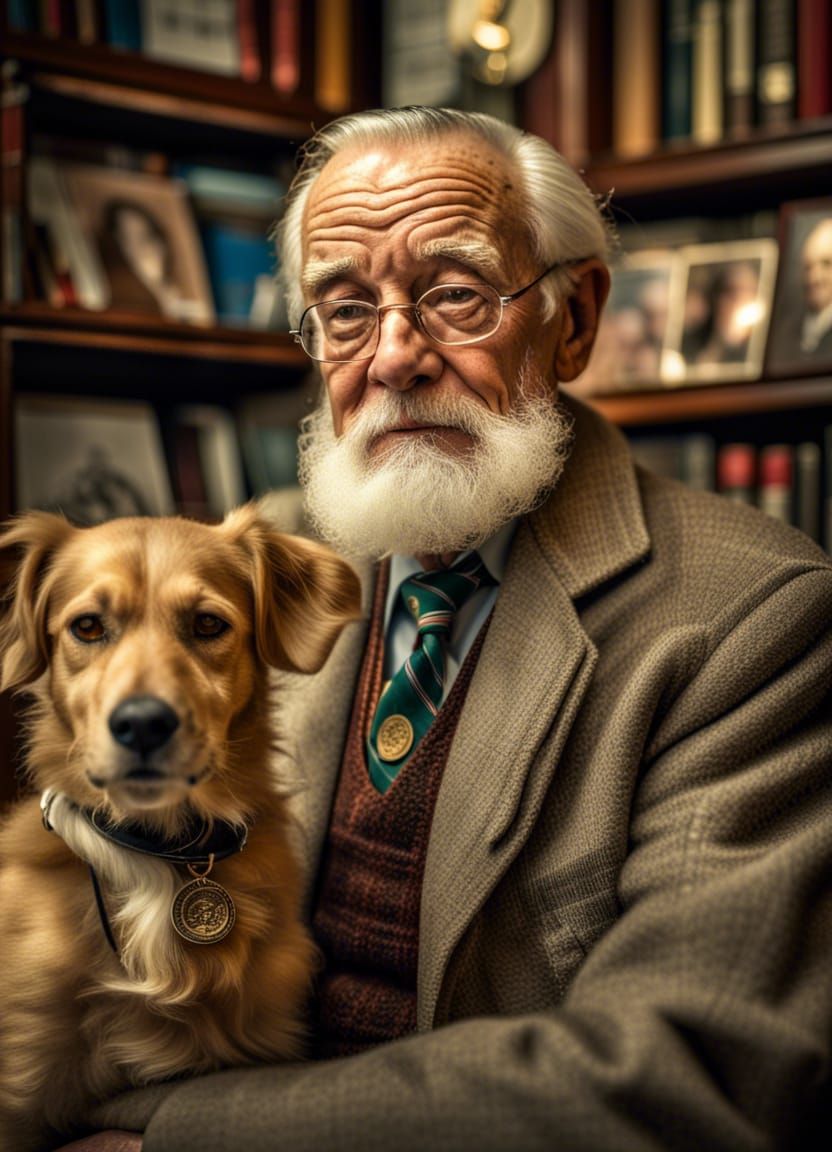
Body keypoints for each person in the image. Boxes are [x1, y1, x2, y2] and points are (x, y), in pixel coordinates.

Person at [68, 108, 832, 1151]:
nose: (392, 357)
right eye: (343, 309)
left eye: (455, 295)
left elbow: (677, 1074)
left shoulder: (751, 616)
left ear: (572, 319)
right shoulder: (261, 576)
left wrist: (170, 1132)